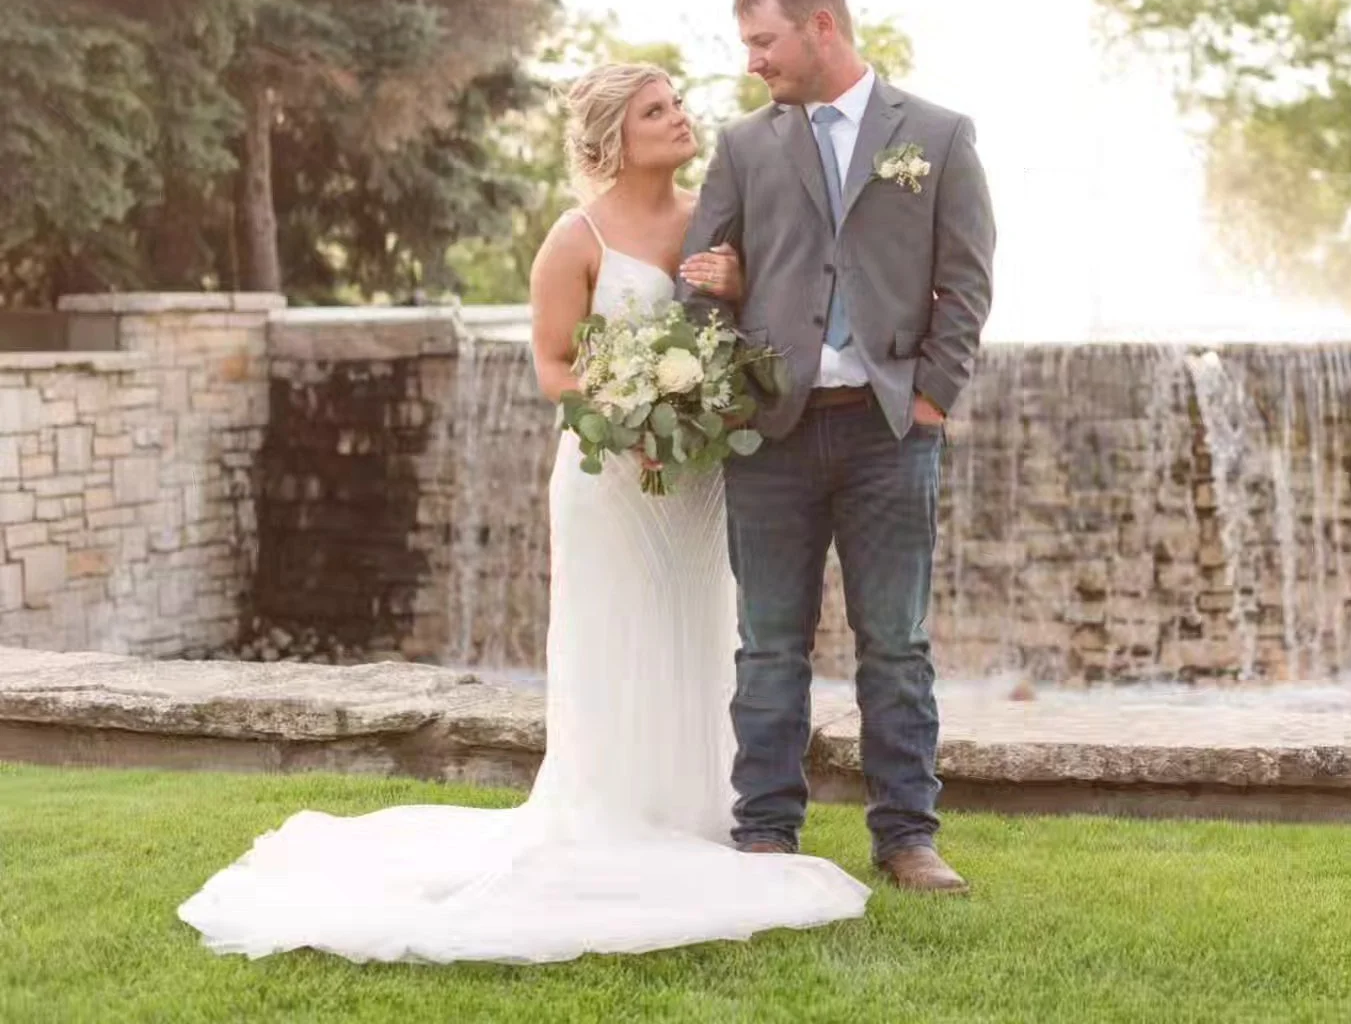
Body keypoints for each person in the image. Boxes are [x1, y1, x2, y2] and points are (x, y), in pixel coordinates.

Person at [177, 63, 868, 965]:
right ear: (613, 138)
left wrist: (732, 301)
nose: (678, 117)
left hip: (695, 477)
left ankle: (702, 815)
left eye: (676, 104)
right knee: (613, 634)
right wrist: (624, 419)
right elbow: (552, 363)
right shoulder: (573, 238)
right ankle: (611, 813)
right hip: (609, 475)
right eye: (655, 110)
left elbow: (750, 328)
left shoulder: (713, 215)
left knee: (697, 627)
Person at [679, 0, 995, 894]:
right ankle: (765, 832)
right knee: (768, 643)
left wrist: (931, 396)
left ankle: (907, 838)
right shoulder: (742, 145)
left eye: (763, 42)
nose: (752, 63)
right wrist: (725, 388)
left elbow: (966, 279)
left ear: (822, 27)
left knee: (894, 643)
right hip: (769, 435)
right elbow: (701, 272)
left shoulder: (935, 136)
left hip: (887, 431)